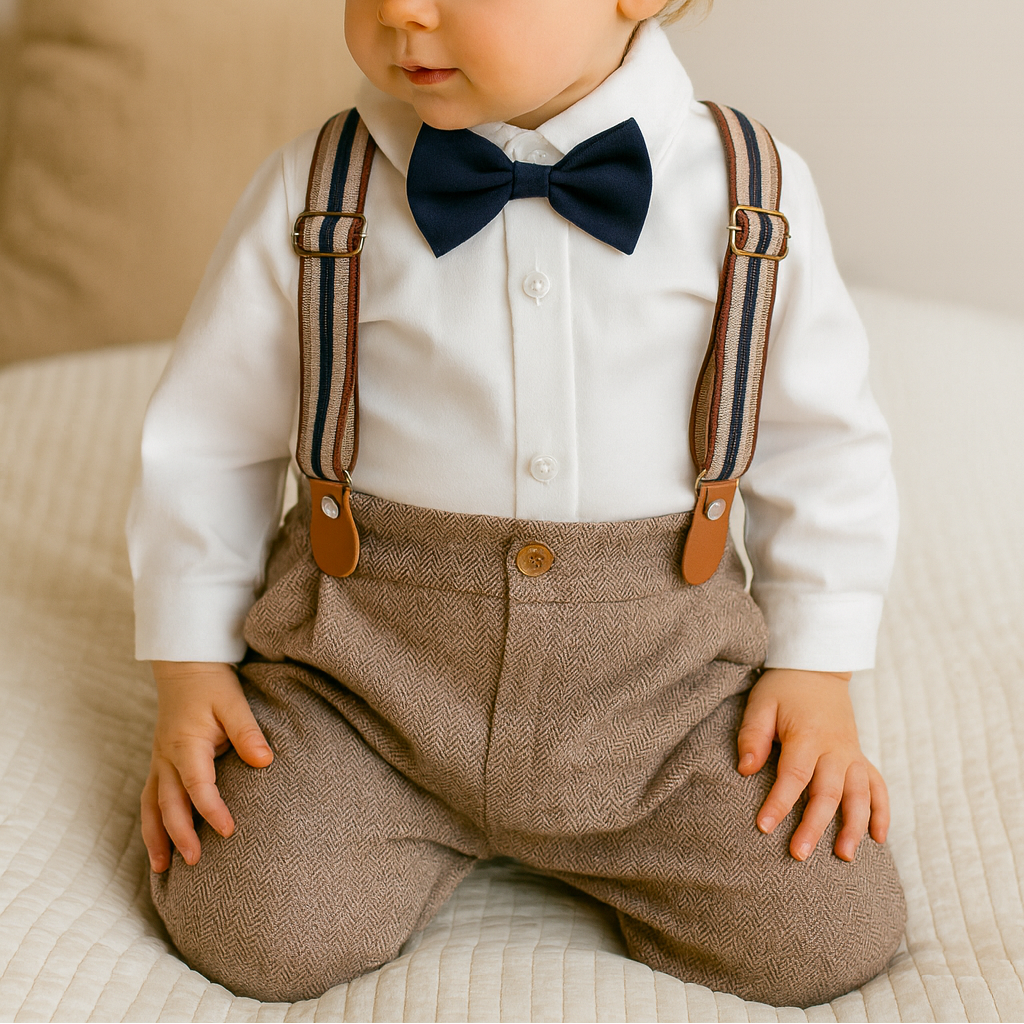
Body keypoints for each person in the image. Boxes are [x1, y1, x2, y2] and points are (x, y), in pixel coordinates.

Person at [127, 0, 907, 1007]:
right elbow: (210, 438)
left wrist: (816, 670)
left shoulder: (747, 193)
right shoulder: (320, 186)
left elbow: (823, 447)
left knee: (826, 929)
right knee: (251, 917)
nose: (401, 10)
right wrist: (189, 670)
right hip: (366, 686)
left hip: (661, 697)